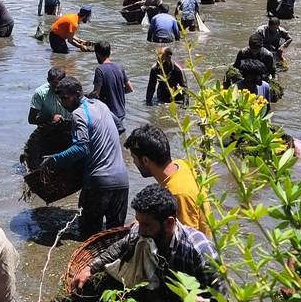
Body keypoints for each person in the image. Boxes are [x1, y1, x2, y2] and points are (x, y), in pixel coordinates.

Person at [70, 184, 220, 302]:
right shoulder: (142, 233)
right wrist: (90, 268)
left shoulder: (200, 252)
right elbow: (120, 247)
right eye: (138, 222)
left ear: (169, 223)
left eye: (146, 225)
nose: (140, 230)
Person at [42, 76, 130, 238]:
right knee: (117, 237)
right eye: (60, 98)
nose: (62, 103)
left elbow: (81, 148)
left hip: (98, 185)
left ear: (77, 95)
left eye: (65, 98)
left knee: (89, 237)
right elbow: (119, 127)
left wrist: (53, 160)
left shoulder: (79, 114)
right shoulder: (101, 105)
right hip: (122, 181)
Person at [125, 125, 208, 235]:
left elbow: (188, 237)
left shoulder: (178, 194)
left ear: (145, 160)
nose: (134, 163)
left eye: (134, 158)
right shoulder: (180, 164)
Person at [90, 41, 132, 133]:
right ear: (109, 52)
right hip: (121, 113)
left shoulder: (100, 70)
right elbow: (130, 88)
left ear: (97, 54)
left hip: (108, 114)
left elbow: (96, 94)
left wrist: (85, 96)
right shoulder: (119, 67)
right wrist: (117, 91)